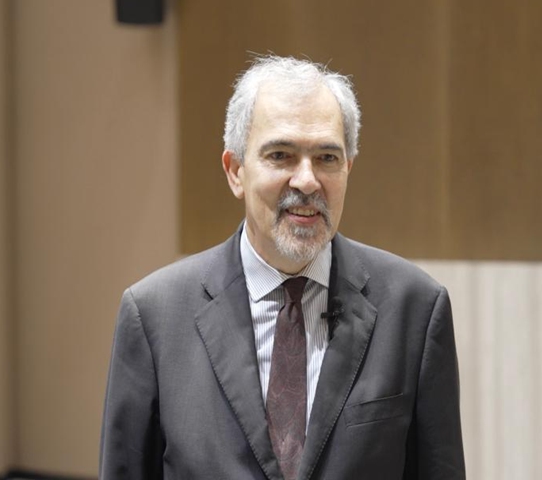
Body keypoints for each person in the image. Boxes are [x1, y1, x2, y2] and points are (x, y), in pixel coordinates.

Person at [99, 55, 465, 480]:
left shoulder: (415, 309)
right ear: (235, 171)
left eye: (327, 157)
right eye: (281, 155)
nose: (307, 181)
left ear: (348, 167)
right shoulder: (154, 316)